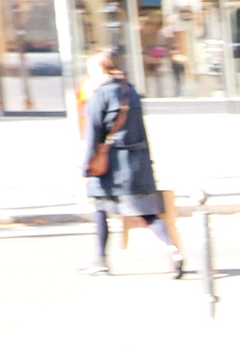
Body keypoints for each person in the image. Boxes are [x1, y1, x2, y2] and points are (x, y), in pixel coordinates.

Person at [77, 51, 182, 278]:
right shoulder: (130, 92)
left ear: (100, 70)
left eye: (91, 69)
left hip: (111, 166)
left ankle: (101, 260)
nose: (89, 74)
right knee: (149, 213)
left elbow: (93, 134)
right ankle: (173, 250)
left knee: (101, 208)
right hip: (138, 164)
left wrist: (87, 167)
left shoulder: (100, 96)